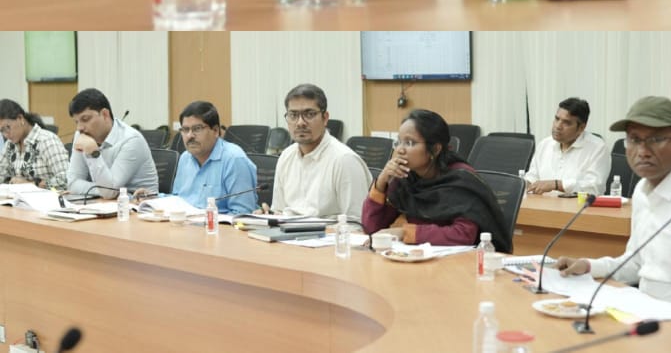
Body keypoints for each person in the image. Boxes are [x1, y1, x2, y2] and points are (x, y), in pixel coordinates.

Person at [557, 96, 671, 322]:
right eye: (634, 139)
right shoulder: (642, 189)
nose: (642, 151)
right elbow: (635, 263)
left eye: (655, 139)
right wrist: (588, 266)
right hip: (642, 312)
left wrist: (655, 325)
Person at [362, 109, 511, 248]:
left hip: (466, 260)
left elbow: (464, 234)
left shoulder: (460, 179)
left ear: (435, 149)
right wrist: (381, 183)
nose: (400, 150)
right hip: (422, 258)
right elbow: (371, 228)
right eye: (398, 142)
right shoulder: (405, 177)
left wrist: (406, 232)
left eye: (409, 143)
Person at [271, 84, 371, 218]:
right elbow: (278, 211)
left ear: (325, 118)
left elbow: (356, 222)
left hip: (330, 231)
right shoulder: (286, 156)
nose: (300, 122)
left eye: (309, 114)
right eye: (293, 115)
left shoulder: (344, 161)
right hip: (287, 230)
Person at [65, 88, 158, 197]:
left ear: (105, 114)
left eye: (85, 119)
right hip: (104, 202)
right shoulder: (82, 136)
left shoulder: (131, 140)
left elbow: (109, 191)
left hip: (140, 204)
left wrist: (93, 153)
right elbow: (72, 184)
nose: (79, 128)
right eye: (76, 122)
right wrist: (108, 191)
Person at [171, 101, 259, 214]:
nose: (190, 135)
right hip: (186, 223)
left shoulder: (234, 159)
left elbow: (243, 213)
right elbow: (177, 200)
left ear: (216, 131)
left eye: (197, 129)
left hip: (217, 224)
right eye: (185, 129)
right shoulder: (185, 158)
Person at [524, 97, 609, 195]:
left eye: (566, 123)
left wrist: (557, 185)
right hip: (541, 203)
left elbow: (594, 188)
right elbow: (532, 177)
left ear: (581, 128)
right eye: (557, 119)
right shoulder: (545, 144)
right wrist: (521, 185)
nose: (558, 126)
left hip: (577, 204)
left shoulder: (598, 148)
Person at [0, 100, 68, 188]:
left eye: (7, 128)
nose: (5, 135)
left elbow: (65, 179)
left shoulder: (47, 140)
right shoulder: (9, 145)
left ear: (20, 118)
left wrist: (32, 184)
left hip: (46, 195)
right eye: (1, 131)